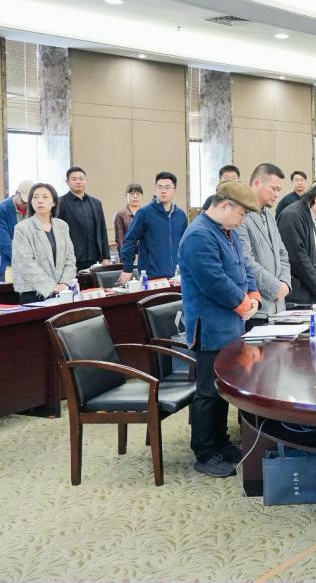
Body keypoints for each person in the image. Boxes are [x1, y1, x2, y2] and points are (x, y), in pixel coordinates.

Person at [179, 180, 262, 478]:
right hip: (210, 326)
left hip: (231, 324)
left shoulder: (228, 231)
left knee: (224, 389)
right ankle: (204, 452)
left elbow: (243, 269)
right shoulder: (198, 235)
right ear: (225, 205)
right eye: (241, 213)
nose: (243, 220)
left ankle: (221, 442)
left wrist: (253, 294)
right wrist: (242, 302)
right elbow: (213, 281)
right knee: (208, 392)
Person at [239, 163, 291, 318]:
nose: (277, 194)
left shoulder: (269, 215)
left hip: (279, 306)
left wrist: (285, 283)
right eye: (274, 189)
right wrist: (275, 288)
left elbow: (282, 253)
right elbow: (245, 260)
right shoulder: (241, 215)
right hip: (258, 307)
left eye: (279, 190)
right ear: (257, 183)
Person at [11, 183, 77, 304]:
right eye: (35, 197)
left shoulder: (62, 226)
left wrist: (64, 283)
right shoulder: (22, 228)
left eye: (45, 197)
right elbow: (25, 263)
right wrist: (51, 287)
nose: (40, 201)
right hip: (33, 293)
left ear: (54, 202)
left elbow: (70, 259)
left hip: (63, 292)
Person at [118, 172, 188, 282]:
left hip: (177, 276)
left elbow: (185, 245)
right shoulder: (144, 213)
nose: (163, 191)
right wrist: (127, 268)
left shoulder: (181, 215)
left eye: (167, 187)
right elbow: (130, 240)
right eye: (159, 187)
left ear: (174, 190)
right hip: (151, 276)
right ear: (155, 189)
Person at [57, 166, 111, 272]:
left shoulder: (96, 203)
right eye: (74, 179)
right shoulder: (60, 203)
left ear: (86, 181)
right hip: (71, 259)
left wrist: (106, 257)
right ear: (67, 182)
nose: (78, 182)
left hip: (95, 258)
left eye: (81, 179)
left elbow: (102, 231)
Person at [0, 179, 33, 281]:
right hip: (4, 261)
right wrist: (22, 261)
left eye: (28, 203)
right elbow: (4, 241)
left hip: (27, 260)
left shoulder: (32, 209)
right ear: (16, 194)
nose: (25, 205)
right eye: (23, 201)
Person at [113, 183, 144, 255]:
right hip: (129, 255)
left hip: (145, 256)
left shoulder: (146, 213)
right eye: (131, 194)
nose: (135, 196)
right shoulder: (120, 214)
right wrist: (124, 256)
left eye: (138, 194)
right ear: (126, 196)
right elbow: (120, 239)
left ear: (142, 196)